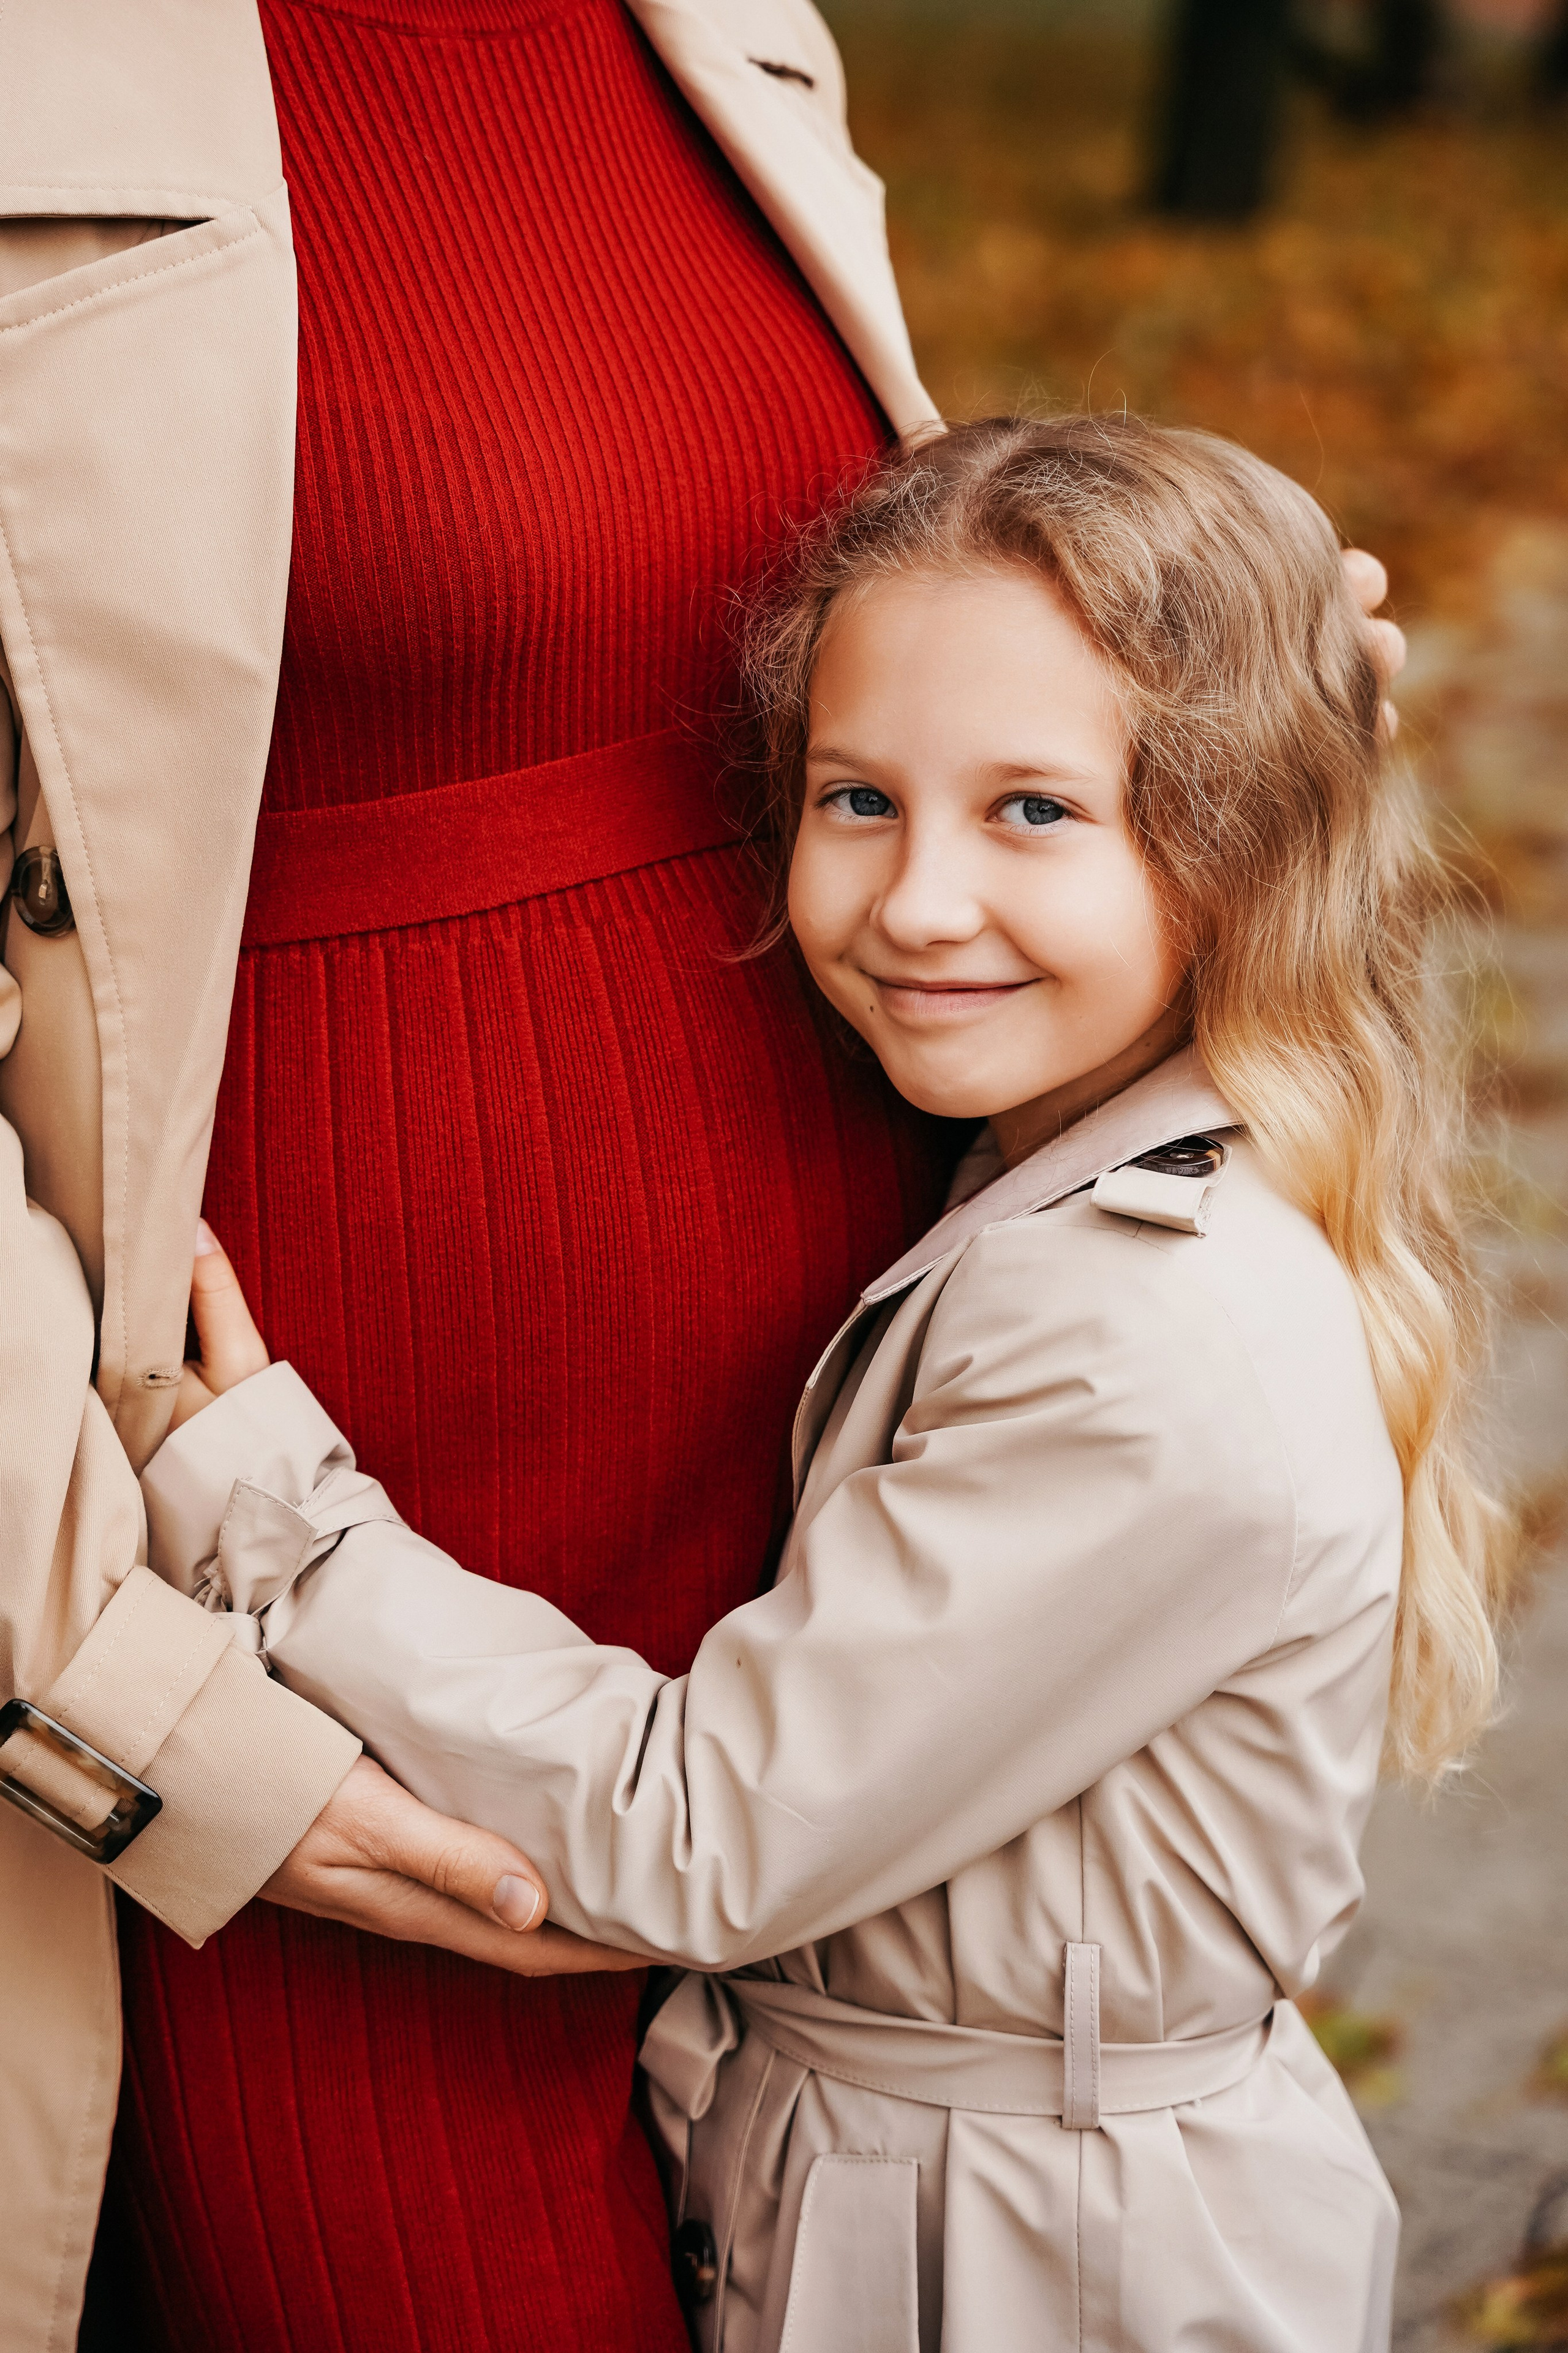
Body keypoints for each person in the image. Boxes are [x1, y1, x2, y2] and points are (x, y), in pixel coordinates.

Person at [0, 5, 1404, 2345]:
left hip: (786, 1559)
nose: (921, 889)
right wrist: (127, 1670)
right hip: (313, 1626)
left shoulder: (713, 12)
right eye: (870, 813)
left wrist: (1207, 696)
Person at [145, 414, 1504, 2353]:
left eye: (1036, 810)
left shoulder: (1155, 1334)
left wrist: (265, 1505)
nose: (919, 901)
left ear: (1242, 840)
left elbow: (699, 1830)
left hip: (1043, 2271)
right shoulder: (1071, 1169)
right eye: (859, 797)